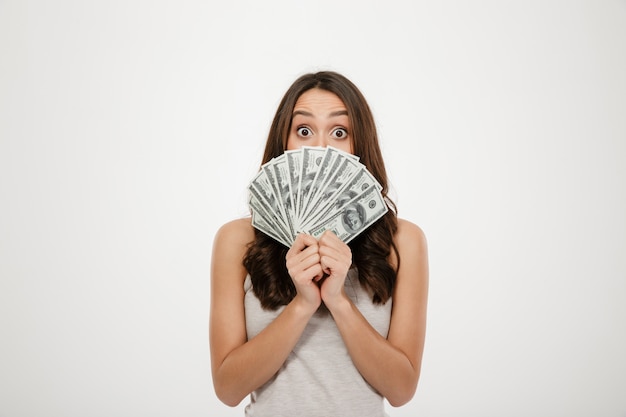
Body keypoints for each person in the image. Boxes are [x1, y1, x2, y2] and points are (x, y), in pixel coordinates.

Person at [209, 71, 429, 417]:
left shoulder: (403, 243)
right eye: (304, 131)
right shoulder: (237, 241)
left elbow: (401, 390)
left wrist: (338, 301)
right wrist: (303, 304)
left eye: (339, 132)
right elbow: (228, 388)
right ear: (284, 143)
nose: (321, 147)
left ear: (360, 146)